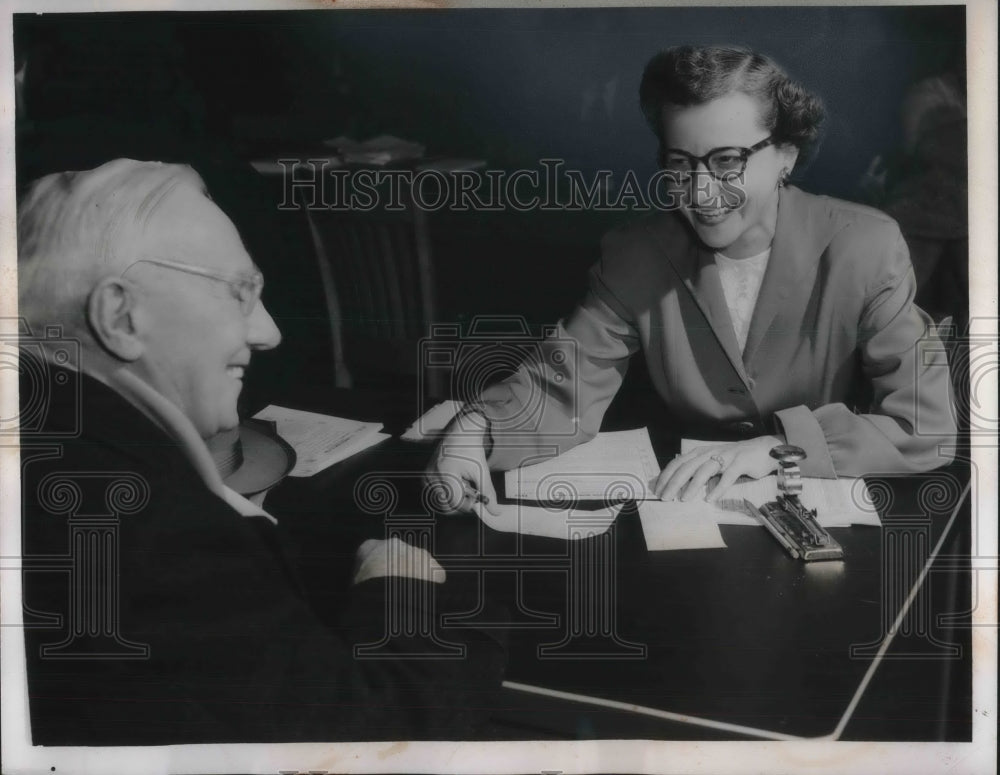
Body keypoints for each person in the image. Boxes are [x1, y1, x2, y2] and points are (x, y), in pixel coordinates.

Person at [17, 159, 504, 744]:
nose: (268, 333)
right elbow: (374, 740)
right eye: (241, 294)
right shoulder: (149, 533)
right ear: (120, 315)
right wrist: (402, 593)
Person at [428, 45, 957, 513]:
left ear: (786, 156)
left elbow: (925, 427)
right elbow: (563, 387)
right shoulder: (636, 253)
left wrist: (778, 448)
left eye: (727, 161)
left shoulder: (866, 246)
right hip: (683, 509)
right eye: (681, 164)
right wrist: (475, 431)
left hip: (821, 511)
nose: (700, 193)